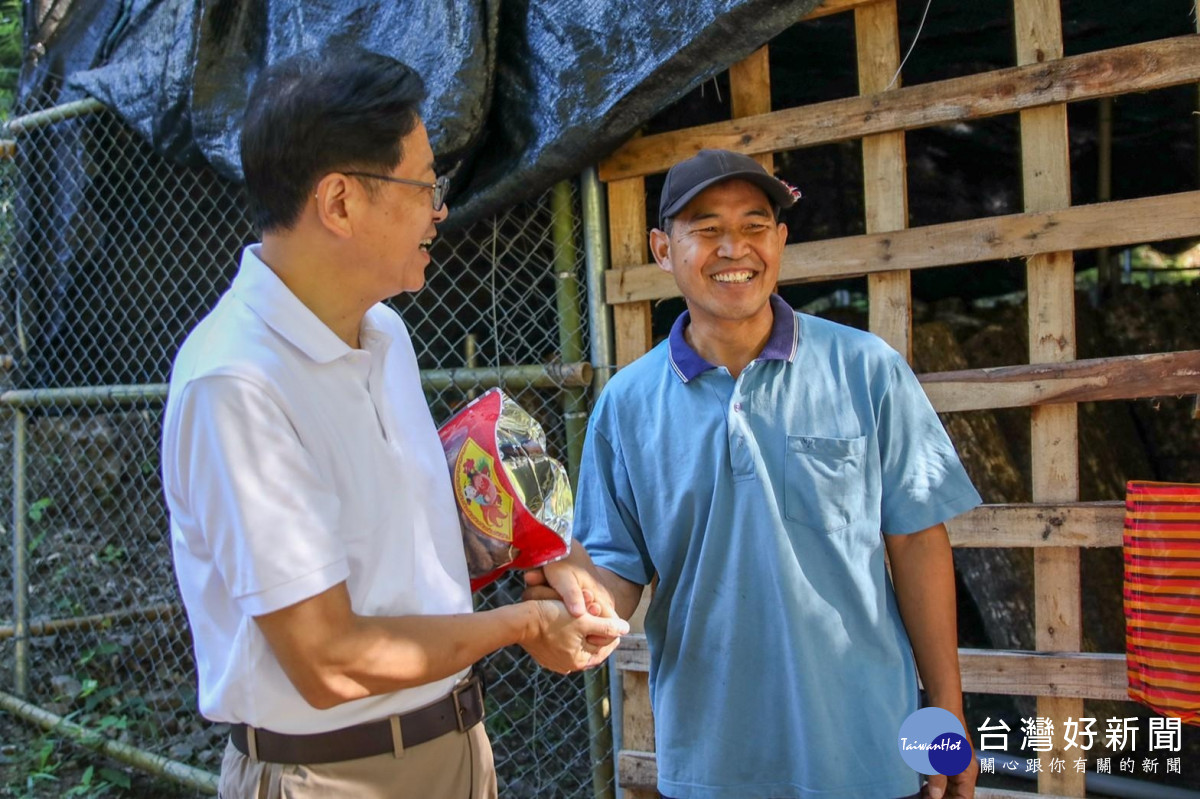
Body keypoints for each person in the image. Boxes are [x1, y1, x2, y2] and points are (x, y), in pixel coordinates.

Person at [160, 49, 627, 799]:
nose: (439, 210)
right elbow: (330, 659)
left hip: (456, 746)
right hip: (332, 776)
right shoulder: (237, 384)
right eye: (424, 186)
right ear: (340, 202)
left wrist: (541, 551)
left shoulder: (383, 331)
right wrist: (523, 624)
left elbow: (403, 532)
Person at [527, 149, 982, 799]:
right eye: (706, 228)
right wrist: (563, 606)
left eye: (755, 224)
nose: (733, 247)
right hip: (713, 764)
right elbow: (615, 577)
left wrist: (944, 715)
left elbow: (915, 541)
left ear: (781, 240)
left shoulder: (865, 369)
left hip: (868, 756)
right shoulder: (627, 404)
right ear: (662, 248)